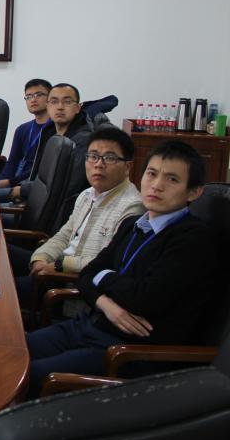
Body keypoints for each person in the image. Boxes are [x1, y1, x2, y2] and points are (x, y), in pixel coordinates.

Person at [24, 141, 221, 398]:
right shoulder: (133, 225)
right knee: (10, 350)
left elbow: (143, 298)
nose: (157, 185)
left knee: (27, 375)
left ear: (193, 192)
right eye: (152, 174)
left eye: (172, 179)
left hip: (128, 351)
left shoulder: (192, 239)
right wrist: (107, 304)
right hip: (93, 323)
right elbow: (86, 275)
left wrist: (104, 276)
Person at [7, 128, 144, 301]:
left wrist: (58, 266)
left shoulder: (132, 207)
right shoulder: (87, 194)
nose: (98, 164)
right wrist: (40, 258)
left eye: (109, 158)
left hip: (72, 284)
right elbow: (64, 236)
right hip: (55, 267)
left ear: (127, 167)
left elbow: (107, 262)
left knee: (0, 289)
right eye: (93, 156)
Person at [10, 83, 98, 223]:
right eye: (54, 101)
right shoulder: (49, 132)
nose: (60, 107)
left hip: (55, 217)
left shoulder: (83, 141)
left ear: (77, 108)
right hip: (32, 204)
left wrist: (20, 190)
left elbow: (65, 187)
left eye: (67, 102)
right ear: (48, 106)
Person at [0, 79, 52, 199]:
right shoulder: (22, 129)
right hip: (14, 181)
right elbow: (12, 162)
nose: (33, 99)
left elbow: (41, 169)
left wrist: (9, 182)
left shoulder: (54, 130)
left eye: (38, 95)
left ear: (50, 98)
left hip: (31, 187)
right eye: (29, 96)